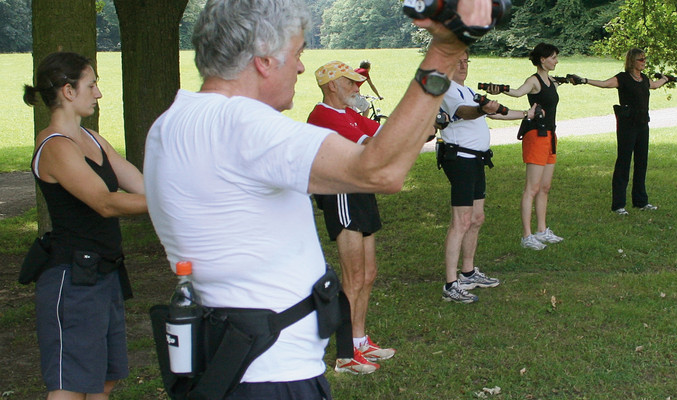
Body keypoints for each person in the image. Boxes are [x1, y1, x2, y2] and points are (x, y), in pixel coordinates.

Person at [143, 0, 492, 398]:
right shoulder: (243, 125)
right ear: (263, 57)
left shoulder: (171, 122)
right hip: (272, 375)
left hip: (224, 363)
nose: (301, 68)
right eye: (297, 54)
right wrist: (443, 53)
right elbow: (382, 171)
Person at [23, 52, 147, 399]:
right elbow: (106, 203)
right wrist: (172, 202)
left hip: (105, 274)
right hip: (71, 280)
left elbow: (142, 186)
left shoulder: (92, 139)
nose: (98, 94)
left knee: (103, 382)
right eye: (91, 85)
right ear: (67, 91)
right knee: (70, 386)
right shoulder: (55, 147)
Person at [308, 61, 395, 375]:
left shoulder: (348, 113)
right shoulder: (323, 115)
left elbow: (386, 134)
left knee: (368, 272)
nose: (358, 89)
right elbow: (373, 146)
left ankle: (359, 341)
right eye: (351, 83)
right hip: (342, 195)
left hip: (361, 191)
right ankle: (345, 355)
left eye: (359, 83)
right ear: (332, 85)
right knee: (353, 276)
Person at [439, 49, 538, 303]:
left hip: (477, 160)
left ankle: (468, 272)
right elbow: (464, 112)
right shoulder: (447, 89)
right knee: (460, 221)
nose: (462, 66)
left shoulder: (469, 90)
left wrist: (526, 114)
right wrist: (483, 109)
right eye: (457, 61)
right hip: (459, 159)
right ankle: (451, 285)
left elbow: (495, 111)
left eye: (465, 61)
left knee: (477, 218)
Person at [570, 48, 672, 215]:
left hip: (642, 124)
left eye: (645, 59)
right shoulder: (623, 78)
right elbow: (604, 84)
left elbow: (654, 85)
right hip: (627, 125)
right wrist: (584, 80)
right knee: (624, 162)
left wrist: (665, 79)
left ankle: (640, 201)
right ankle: (619, 205)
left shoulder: (644, 79)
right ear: (632, 61)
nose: (644, 61)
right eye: (641, 59)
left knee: (642, 162)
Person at [488, 42, 564, 251]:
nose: (556, 61)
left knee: (545, 187)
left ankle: (541, 230)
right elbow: (517, 93)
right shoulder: (534, 81)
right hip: (535, 135)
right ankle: (526, 236)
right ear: (543, 59)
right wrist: (500, 90)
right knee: (532, 188)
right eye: (553, 57)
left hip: (550, 135)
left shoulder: (552, 80)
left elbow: (561, 83)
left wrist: (572, 80)